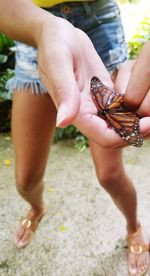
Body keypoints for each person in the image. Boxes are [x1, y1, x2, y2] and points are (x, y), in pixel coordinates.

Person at [0, 1, 150, 275]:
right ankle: (37, 208)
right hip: (30, 26)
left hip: (99, 25)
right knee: (25, 179)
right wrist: (43, 26)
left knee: (110, 175)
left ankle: (134, 227)